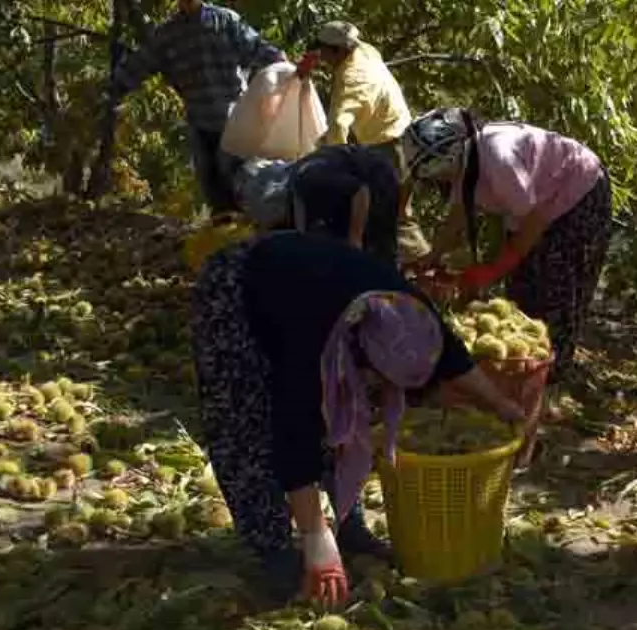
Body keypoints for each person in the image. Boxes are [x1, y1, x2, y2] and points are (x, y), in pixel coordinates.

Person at [191, 228, 525, 606]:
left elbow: (452, 356)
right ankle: (275, 550)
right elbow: (294, 429)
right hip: (240, 286)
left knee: (346, 415)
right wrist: (315, 537)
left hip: (314, 280)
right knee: (245, 424)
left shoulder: (411, 315)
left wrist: (503, 406)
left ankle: (349, 527)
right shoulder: (311, 340)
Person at [402, 108, 613, 383]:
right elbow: (458, 214)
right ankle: (518, 374)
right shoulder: (465, 163)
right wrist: (433, 256)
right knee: (522, 289)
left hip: (578, 194)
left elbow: (535, 220)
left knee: (554, 286)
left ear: (446, 160)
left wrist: (492, 270)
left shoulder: (498, 161)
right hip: (536, 204)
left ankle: (549, 379)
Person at [108, 0, 286, 216]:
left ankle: (247, 238)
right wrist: (115, 83)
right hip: (201, 125)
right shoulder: (168, 34)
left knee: (242, 189)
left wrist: (286, 67)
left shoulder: (224, 21)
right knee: (217, 196)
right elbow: (139, 65)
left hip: (234, 124)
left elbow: (260, 50)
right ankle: (227, 239)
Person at [310, 21, 431, 263]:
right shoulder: (364, 50)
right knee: (390, 213)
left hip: (390, 146)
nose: (321, 56)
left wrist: (333, 162)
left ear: (338, 51)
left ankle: (426, 268)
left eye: (323, 51)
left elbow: (339, 125)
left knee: (395, 215)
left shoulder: (351, 80)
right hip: (402, 137)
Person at [232, 144, 402, 261]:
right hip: (346, 192)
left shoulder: (308, 180)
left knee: (377, 254)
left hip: (377, 181)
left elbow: (359, 191)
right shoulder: (295, 196)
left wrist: (354, 242)